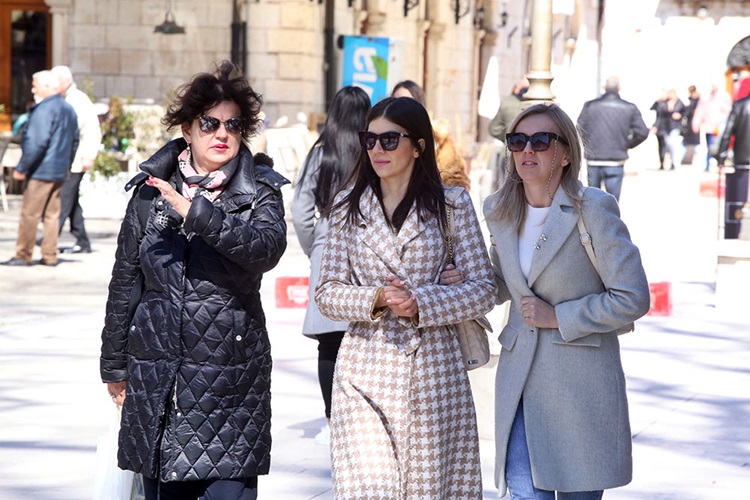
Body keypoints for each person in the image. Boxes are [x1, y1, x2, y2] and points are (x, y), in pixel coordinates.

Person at [99, 61, 289, 500]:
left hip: (232, 379)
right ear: (187, 129)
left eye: (233, 124)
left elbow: (266, 250)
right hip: (158, 374)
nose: (222, 133)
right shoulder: (150, 192)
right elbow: (125, 280)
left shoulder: (260, 189)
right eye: (209, 123)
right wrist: (114, 365)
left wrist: (198, 214)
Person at [315, 96, 495, 498]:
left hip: (434, 374)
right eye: (370, 139)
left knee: (428, 491)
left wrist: (422, 302)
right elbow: (326, 294)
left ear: (418, 146)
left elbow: (484, 289)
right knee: (368, 488)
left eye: (390, 140)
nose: (377, 149)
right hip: (363, 370)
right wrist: (376, 298)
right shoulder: (347, 206)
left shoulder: (453, 205)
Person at [483, 103, 650, 499]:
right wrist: (463, 280)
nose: (527, 150)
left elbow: (633, 297)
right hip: (520, 378)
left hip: (580, 386)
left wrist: (558, 316)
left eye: (541, 141)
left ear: (566, 154)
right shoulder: (499, 210)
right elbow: (502, 283)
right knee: (523, 492)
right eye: (517, 141)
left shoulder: (593, 208)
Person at [290, 86, 371, 446]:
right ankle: (361, 416)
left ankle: (331, 418)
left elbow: (300, 209)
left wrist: (315, 247)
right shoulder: (373, 151)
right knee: (365, 338)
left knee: (329, 341)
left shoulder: (321, 152)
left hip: (326, 246)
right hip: (368, 247)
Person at [1, 70, 78, 267]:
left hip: (42, 170)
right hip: (58, 170)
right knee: (52, 215)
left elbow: (37, 142)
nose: (33, 89)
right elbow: (74, 141)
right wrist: (67, 165)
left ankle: (23, 254)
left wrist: (22, 167)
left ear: (47, 87)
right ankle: (49, 255)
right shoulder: (68, 108)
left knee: (30, 214)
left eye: (35, 85)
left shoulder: (44, 109)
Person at [52, 65, 103, 254]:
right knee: (71, 201)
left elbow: (91, 130)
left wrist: (88, 155)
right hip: (69, 160)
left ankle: (50, 239)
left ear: (64, 81)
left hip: (77, 161)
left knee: (63, 200)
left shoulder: (77, 100)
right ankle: (82, 241)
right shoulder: (66, 99)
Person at [576, 76, 649, 201]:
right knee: (613, 203)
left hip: (594, 158)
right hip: (616, 159)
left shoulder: (590, 105)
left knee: (593, 202)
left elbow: (580, 127)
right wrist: (626, 144)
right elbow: (642, 132)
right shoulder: (630, 107)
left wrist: (588, 144)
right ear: (619, 88)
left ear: (604, 87)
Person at [392, 80, 471, 190]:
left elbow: (455, 182)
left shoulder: (440, 143)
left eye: (406, 102)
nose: (400, 108)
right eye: (394, 102)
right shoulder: (381, 140)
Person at [717, 93, 750, 238]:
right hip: (742, 159)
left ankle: (735, 230)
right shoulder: (739, 105)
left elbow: (727, 132)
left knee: (739, 199)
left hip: (742, 158)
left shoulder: (740, 105)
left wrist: (721, 157)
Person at [489, 77, 530, 190]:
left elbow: (494, 129)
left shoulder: (507, 103)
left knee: (507, 191)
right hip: (532, 156)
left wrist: (508, 138)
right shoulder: (539, 103)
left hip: (509, 152)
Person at [692, 83, 732, 171]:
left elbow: (729, 110)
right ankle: (708, 164)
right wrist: (696, 123)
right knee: (709, 146)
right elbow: (699, 111)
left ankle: (719, 162)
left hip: (719, 127)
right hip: (708, 127)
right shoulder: (705, 98)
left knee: (717, 146)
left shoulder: (723, 97)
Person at [650, 88, 686, 170]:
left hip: (675, 126)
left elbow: (685, 112)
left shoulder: (679, 102)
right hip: (664, 127)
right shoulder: (663, 103)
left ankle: (673, 162)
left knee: (672, 144)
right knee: (664, 145)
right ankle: (663, 162)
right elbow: (658, 113)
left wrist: (680, 115)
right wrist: (658, 101)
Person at [681, 85, 701, 165]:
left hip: (693, 123)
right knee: (690, 143)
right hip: (692, 123)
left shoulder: (695, 100)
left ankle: (698, 161)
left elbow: (689, 111)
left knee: (695, 143)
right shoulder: (694, 100)